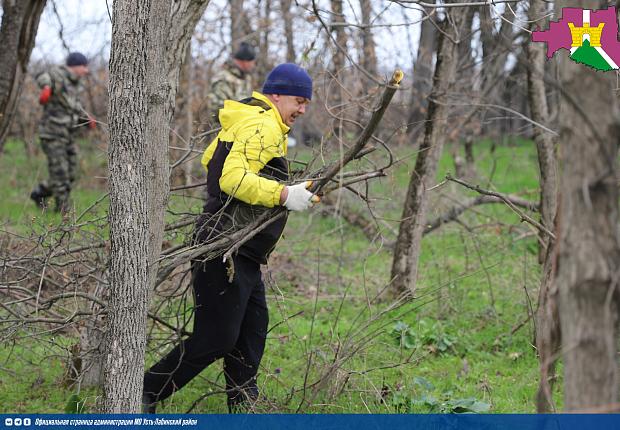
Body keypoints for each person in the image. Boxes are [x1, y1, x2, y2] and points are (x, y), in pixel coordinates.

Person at [143, 63, 317, 413]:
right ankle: (144, 393)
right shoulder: (263, 124)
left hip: (241, 249)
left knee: (252, 330)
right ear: (276, 94)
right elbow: (230, 178)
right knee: (216, 338)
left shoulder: (248, 117)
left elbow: (212, 160)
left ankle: (243, 409)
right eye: (298, 100)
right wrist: (283, 195)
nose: (301, 109)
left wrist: (292, 191)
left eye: (306, 104)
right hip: (225, 247)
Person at [30, 52, 95, 213]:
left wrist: (87, 119)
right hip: (52, 134)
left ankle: (40, 192)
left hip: (68, 135)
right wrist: (46, 88)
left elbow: (73, 106)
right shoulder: (57, 75)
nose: (86, 71)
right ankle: (63, 212)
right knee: (60, 174)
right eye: (84, 67)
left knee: (71, 174)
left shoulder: (75, 84)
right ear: (75, 66)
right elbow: (41, 75)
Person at [204, 41, 256, 128]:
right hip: (224, 130)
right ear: (245, 61)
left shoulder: (246, 78)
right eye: (252, 62)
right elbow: (217, 109)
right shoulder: (223, 78)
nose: (253, 65)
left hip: (242, 128)